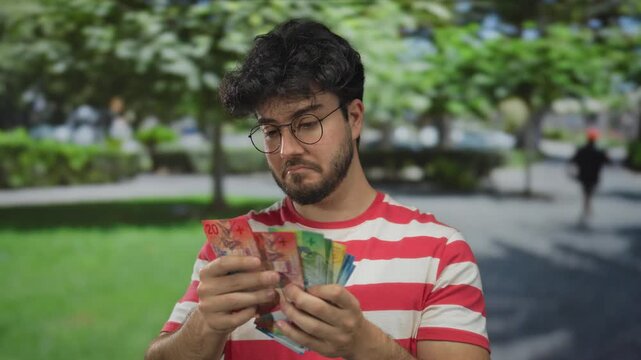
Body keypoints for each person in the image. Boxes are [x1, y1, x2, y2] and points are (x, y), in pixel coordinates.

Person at [145, 19, 489, 360]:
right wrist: (206, 323)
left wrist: (364, 344)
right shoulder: (231, 251)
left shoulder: (441, 252)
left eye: (307, 124)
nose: (286, 150)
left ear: (354, 118)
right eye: (271, 132)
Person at [570, 128, 610, 223]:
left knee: (586, 191)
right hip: (593, 176)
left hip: (584, 175)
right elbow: (607, 162)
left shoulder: (582, 150)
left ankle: (587, 205)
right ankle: (588, 205)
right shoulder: (599, 152)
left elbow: (573, 160)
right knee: (589, 191)